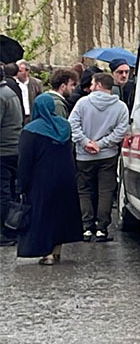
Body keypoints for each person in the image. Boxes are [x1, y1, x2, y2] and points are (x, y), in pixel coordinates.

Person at [16, 93, 83, 265]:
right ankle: (56, 250)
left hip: (42, 179)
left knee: (44, 215)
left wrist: (21, 184)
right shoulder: (64, 126)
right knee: (60, 214)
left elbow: (25, 160)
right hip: (65, 177)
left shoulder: (31, 130)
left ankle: (47, 253)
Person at [69, 73, 129, 242]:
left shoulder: (82, 103)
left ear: (99, 85)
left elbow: (72, 124)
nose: (91, 85)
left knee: (85, 190)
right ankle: (102, 227)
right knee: (106, 191)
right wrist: (102, 144)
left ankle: (86, 226)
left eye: (94, 83)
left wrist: (86, 142)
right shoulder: (121, 107)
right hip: (108, 155)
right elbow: (120, 131)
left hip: (84, 155)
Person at [0, 80, 21, 247]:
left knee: (3, 192)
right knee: (11, 190)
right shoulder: (9, 92)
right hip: (13, 148)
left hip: (3, 150)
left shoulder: (1, 96)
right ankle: (12, 227)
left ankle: (5, 231)